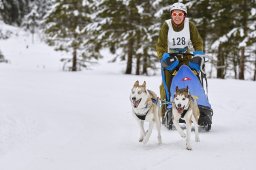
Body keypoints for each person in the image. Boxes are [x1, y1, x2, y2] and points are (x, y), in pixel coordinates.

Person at [156, 2, 204, 116]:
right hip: (171, 58)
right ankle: (165, 110)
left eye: (180, 14)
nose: (177, 17)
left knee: (194, 78)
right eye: (175, 14)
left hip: (186, 57)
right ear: (171, 15)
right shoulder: (166, 25)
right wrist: (163, 56)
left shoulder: (190, 25)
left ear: (184, 15)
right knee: (166, 83)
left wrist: (198, 55)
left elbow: (198, 42)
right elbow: (160, 45)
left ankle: (199, 106)